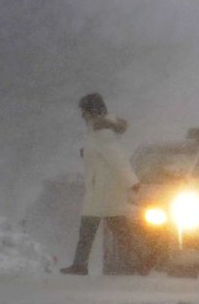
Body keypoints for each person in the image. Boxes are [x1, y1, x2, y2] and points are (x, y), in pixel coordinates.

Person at [59, 93, 142, 275]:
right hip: (103, 189)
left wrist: (132, 181)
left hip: (103, 191)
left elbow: (117, 159)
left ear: (92, 111)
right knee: (120, 232)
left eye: (84, 111)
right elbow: (101, 155)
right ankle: (139, 263)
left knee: (91, 231)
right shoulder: (96, 132)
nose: (82, 115)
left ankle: (80, 265)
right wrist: (86, 153)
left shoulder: (102, 133)